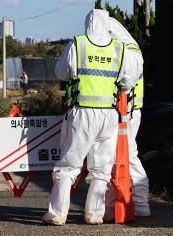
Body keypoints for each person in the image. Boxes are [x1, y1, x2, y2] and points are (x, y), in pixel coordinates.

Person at [42, 9, 137, 225]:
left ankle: (57, 213)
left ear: (87, 24)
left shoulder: (78, 44)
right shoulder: (119, 48)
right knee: (102, 169)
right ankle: (94, 214)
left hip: (82, 113)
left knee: (68, 166)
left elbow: (61, 73)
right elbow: (128, 81)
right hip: (108, 115)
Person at [103, 17, 150, 221]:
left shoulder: (126, 50)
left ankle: (139, 205)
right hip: (128, 111)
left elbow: (125, 82)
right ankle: (130, 205)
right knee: (122, 156)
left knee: (128, 156)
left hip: (126, 112)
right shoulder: (132, 47)